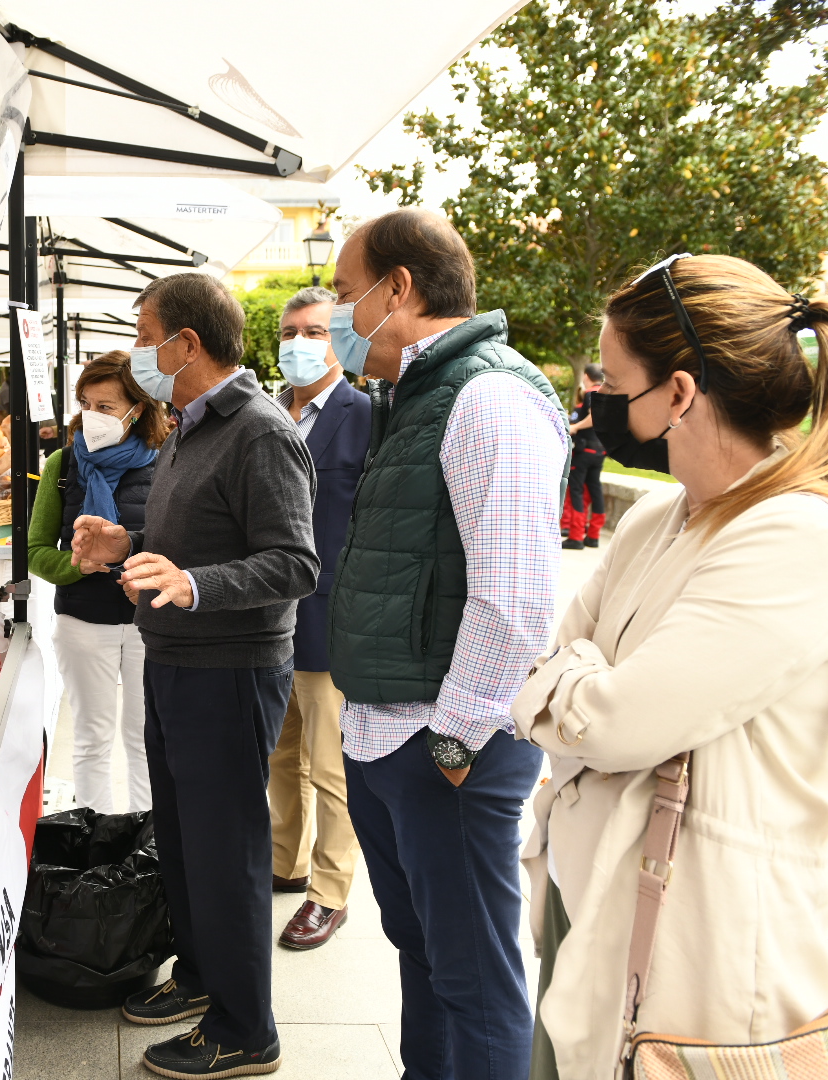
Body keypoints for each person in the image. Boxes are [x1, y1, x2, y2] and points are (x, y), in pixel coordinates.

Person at [511, 255, 828, 1079]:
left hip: (703, 949)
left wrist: (577, 684)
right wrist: (578, 683)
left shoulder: (794, 537)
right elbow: (550, 676)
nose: (597, 400)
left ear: (678, 394)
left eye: (612, 380)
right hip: (591, 905)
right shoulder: (657, 520)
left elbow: (609, 723)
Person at [324, 209, 568, 1080]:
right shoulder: (420, 395)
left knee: (474, 981)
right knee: (424, 956)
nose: (342, 320)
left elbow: (513, 600)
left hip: (445, 742)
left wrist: (457, 739)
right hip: (392, 733)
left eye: (349, 296)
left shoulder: (488, 396)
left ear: (401, 289)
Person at [71, 272, 318, 1079]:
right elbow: (191, 532)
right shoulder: (192, 423)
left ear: (186, 343)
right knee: (181, 841)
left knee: (226, 851)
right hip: (177, 660)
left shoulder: (260, 429)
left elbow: (294, 561)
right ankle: (204, 979)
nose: (139, 350)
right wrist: (125, 544)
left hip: (229, 669)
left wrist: (198, 584)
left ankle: (247, 1029)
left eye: (146, 335)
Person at [266, 286, 372, 951]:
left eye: (314, 332)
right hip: (268, 618)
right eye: (290, 332)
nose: (299, 344)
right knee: (280, 755)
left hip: (331, 620)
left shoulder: (365, 416)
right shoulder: (270, 414)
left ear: (339, 342)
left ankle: (330, 892)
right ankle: (285, 860)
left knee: (330, 767)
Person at [27, 351, 169, 813]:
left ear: (139, 409)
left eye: (105, 406)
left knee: (148, 737)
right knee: (91, 736)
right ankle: (95, 844)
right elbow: (35, 551)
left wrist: (140, 561)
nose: (92, 416)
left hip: (153, 623)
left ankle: (149, 846)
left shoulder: (169, 461)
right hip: (84, 623)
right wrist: (77, 566)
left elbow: (189, 543)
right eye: (85, 403)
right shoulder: (62, 465)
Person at [562, 364, 607, 550]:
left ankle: (576, 535)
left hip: (585, 450)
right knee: (595, 490)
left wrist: (576, 427)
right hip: (600, 450)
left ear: (586, 376)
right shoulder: (607, 393)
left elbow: (593, 416)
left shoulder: (591, 393)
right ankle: (593, 535)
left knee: (576, 491)